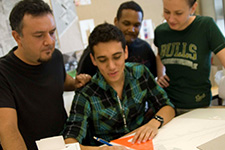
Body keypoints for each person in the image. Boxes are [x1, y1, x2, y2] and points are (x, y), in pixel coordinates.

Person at [62, 23, 175, 150]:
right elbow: (69, 143)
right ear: (93, 60)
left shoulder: (140, 73)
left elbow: (167, 106)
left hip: (143, 144)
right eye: (103, 60)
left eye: (117, 57)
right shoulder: (86, 93)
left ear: (125, 52)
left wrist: (153, 124)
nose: (111, 66)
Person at [0, 0, 91, 150]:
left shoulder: (54, 56)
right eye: (39, 35)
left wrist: (75, 83)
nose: (49, 41)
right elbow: (8, 130)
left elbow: (59, 81)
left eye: (52, 32)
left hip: (63, 145)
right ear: (17, 37)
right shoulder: (3, 73)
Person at [154, 0, 225, 115]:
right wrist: (160, 74)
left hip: (198, 105)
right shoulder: (161, 32)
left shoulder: (205, 26)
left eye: (178, 13)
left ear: (193, 8)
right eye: (166, 12)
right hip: (168, 106)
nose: (171, 19)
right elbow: (160, 54)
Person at [77, 1, 157, 77]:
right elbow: (82, 82)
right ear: (116, 21)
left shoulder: (145, 48)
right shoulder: (98, 49)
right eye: (126, 24)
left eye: (136, 25)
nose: (131, 29)